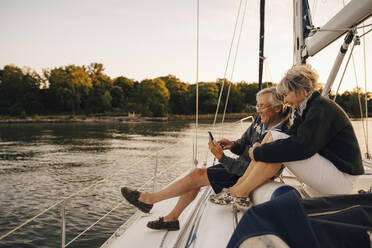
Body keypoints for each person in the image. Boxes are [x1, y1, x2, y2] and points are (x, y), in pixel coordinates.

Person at [120, 87, 290, 231]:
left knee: (197, 175)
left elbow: (250, 170)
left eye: (263, 107)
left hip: (245, 174)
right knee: (196, 177)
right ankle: (171, 218)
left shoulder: (279, 134)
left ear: (277, 107)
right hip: (239, 167)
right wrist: (232, 144)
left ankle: (149, 200)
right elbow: (243, 142)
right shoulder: (259, 121)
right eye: (257, 106)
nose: (258, 111)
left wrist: (221, 157)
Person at [220, 64, 364, 205]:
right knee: (274, 137)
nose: (284, 101)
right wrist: (261, 148)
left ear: (300, 90)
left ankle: (241, 192)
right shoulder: (308, 109)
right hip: (334, 174)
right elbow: (288, 135)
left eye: (286, 95)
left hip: (343, 181)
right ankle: (239, 188)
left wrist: (260, 152)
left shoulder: (320, 108)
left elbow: (303, 146)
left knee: (276, 141)